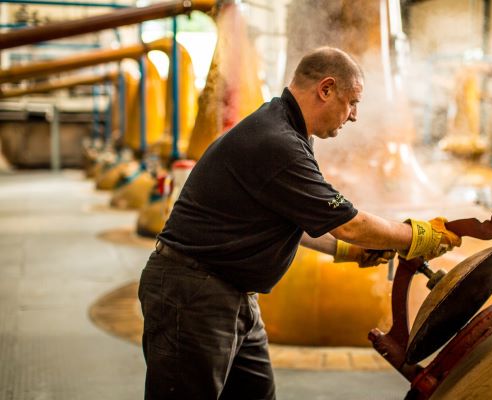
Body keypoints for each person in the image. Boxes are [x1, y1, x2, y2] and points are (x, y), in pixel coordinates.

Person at [138, 46, 462, 400]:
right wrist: (419, 236)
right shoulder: (277, 141)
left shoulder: (287, 130)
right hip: (194, 293)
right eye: (352, 102)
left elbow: (300, 221)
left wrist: (350, 252)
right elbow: (350, 223)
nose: (354, 116)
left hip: (232, 294)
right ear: (326, 89)